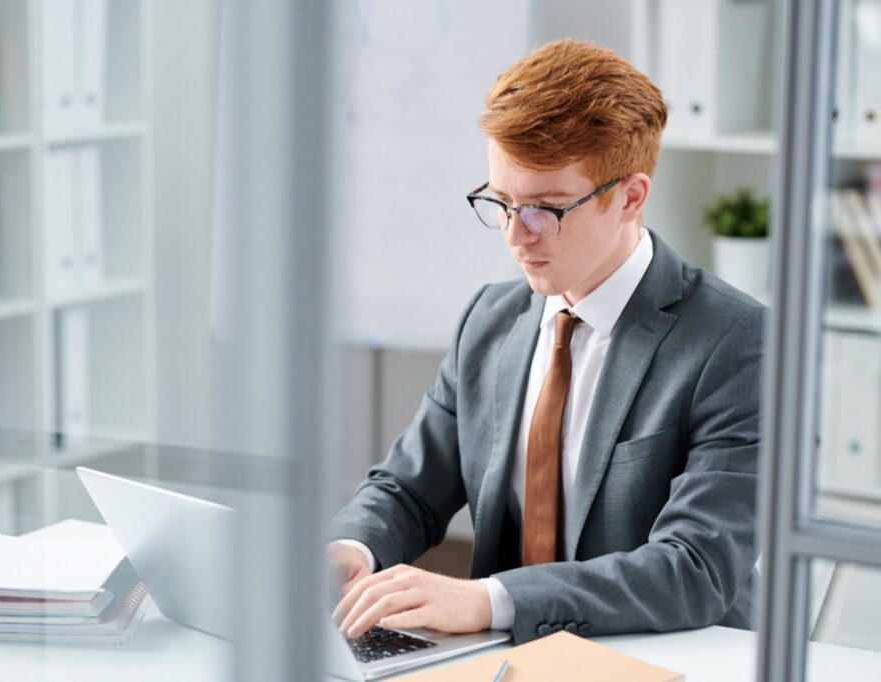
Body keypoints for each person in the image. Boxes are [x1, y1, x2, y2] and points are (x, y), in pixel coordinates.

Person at [327, 38, 766, 645]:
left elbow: (694, 568)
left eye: (546, 209)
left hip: (669, 654)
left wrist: (488, 599)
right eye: (501, 201)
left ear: (631, 197)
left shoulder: (735, 339)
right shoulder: (490, 318)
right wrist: (351, 548)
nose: (514, 236)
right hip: (505, 654)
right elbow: (408, 488)